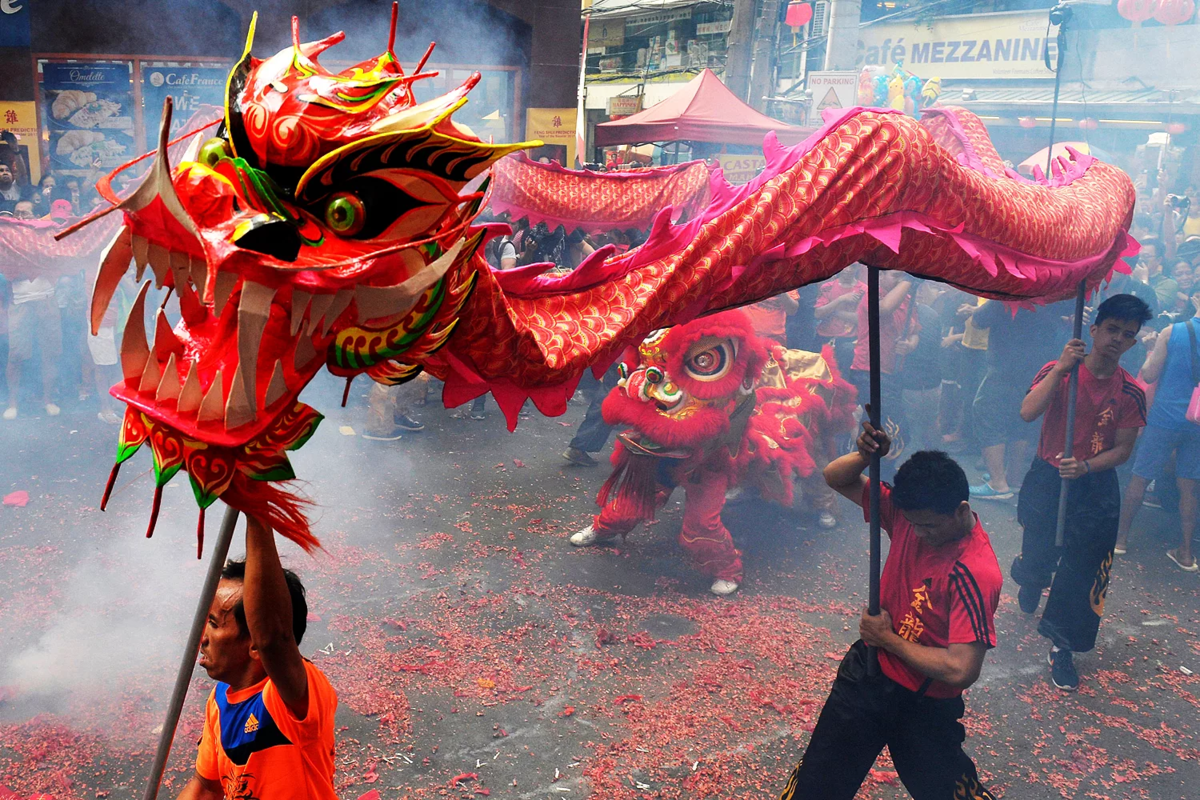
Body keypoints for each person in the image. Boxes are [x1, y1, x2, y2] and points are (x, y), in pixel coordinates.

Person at [779, 423, 1000, 800]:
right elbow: (835, 477)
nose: (917, 533)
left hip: (924, 703)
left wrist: (887, 639)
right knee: (816, 787)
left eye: (928, 526)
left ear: (960, 510)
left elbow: (961, 668)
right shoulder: (906, 517)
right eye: (911, 523)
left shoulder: (974, 570)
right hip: (866, 676)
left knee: (948, 793)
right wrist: (867, 455)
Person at [1011, 294, 1151, 692]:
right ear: (1093, 330)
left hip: (1094, 487)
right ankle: (1031, 576)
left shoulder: (1131, 391)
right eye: (1111, 329)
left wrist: (1086, 465)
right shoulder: (1061, 371)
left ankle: (1063, 644)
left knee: (1083, 568)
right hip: (1048, 477)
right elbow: (1027, 412)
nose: (1116, 339)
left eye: (1127, 334)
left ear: (1133, 343)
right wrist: (1059, 370)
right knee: (1039, 553)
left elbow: (1123, 450)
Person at [178, 515, 337, 800]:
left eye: (214, 624)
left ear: (255, 646)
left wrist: (256, 511)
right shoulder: (219, 700)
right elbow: (205, 789)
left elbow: (274, 638)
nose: (202, 638)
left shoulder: (294, 698)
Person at [1115, 287, 1200, 571]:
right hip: (1197, 422)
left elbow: (1150, 374)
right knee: (1189, 486)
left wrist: (1150, 348)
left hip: (1165, 416)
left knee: (1140, 476)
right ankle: (1186, 553)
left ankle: (1121, 540)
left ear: (1195, 299)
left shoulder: (1172, 332)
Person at [967, 302, 1063, 500]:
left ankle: (997, 483)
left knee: (986, 414)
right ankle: (1013, 477)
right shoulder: (1050, 292)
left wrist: (971, 312)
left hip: (1005, 367)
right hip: (1037, 368)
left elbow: (978, 322)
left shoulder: (1010, 293)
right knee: (1021, 418)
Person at [4, 275, 61, 419]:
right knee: (15, 354)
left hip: (47, 298)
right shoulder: (11, 251)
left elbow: (58, 262)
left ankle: (48, 401)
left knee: (50, 353)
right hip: (19, 301)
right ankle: (13, 404)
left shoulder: (53, 249)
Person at [813, 267, 865, 375]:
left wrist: (833, 311)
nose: (849, 269)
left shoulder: (863, 290)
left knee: (843, 377)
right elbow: (818, 314)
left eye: (852, 266)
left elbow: (861, 319)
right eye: (846, 265)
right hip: (823, 337)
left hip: (849, 340)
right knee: (818, 375)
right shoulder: (828, 287)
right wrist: (841, 299)